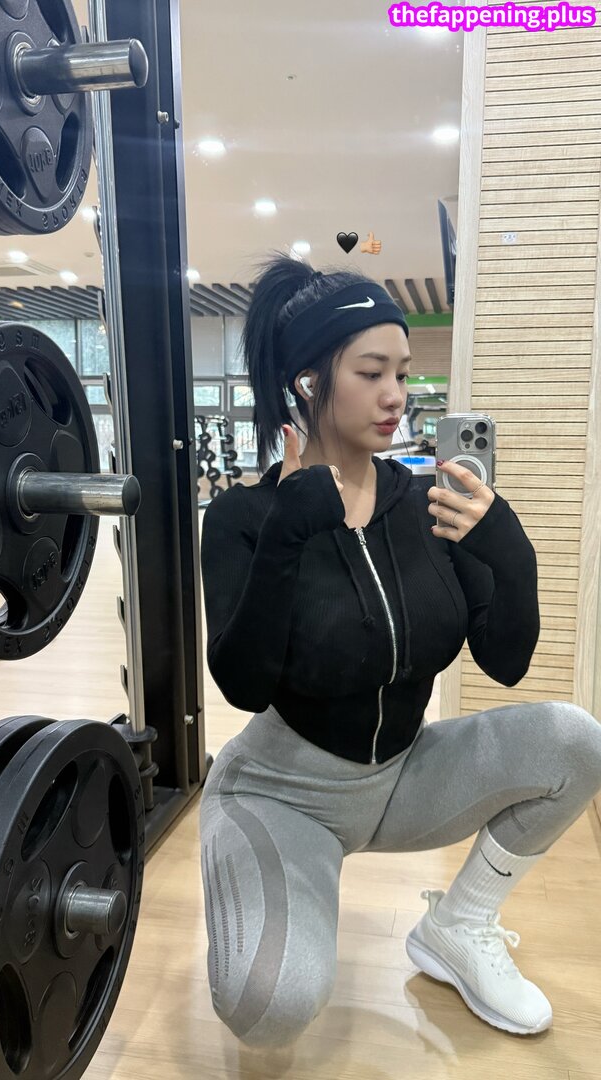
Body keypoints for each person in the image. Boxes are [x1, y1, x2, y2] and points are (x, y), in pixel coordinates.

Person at [198, 252, 601, 1049]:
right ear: (310, 381)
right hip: (284, 792)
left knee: (575, 742)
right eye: (372, 371)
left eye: (404, 373)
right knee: (270, 1007)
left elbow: (506, 662)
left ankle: (458, 926)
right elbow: (243, 683)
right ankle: (246, 864)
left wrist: (510, 553)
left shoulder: (426, 503)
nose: (397, 395)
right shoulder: (244, 518)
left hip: (403, 776)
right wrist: (286, 533)